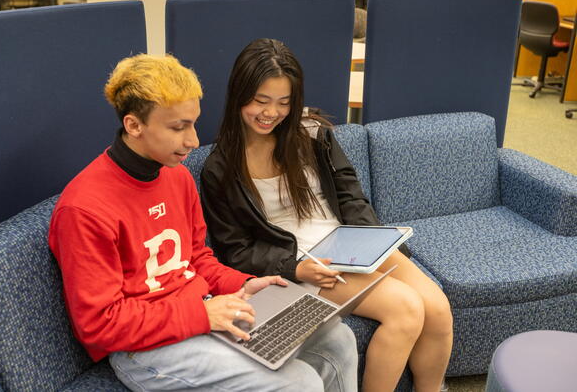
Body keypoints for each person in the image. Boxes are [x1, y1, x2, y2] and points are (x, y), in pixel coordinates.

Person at [48, 53, 359, 392]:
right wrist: (201, 317)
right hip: (144, 349)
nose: (193, 141)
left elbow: (197, 261)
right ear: (134, 125)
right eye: (178, 128)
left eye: (193, 124)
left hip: (200, 311)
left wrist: (244, 284)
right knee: (300, 383)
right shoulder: (84, 208)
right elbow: (99, 325)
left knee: (336, 337)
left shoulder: (176, 177)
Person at [200, 39, 454, 392]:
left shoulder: (312, 134)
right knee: (406, 309)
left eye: (283, 103)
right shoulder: (221, 167)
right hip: (304, 262)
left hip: (349, 242)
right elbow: (237, 251)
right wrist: (294, 267)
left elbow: (351, 196)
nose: (270, 113)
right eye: (260, 101)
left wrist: (370, 243)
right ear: (239, 94)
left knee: (438, 309)